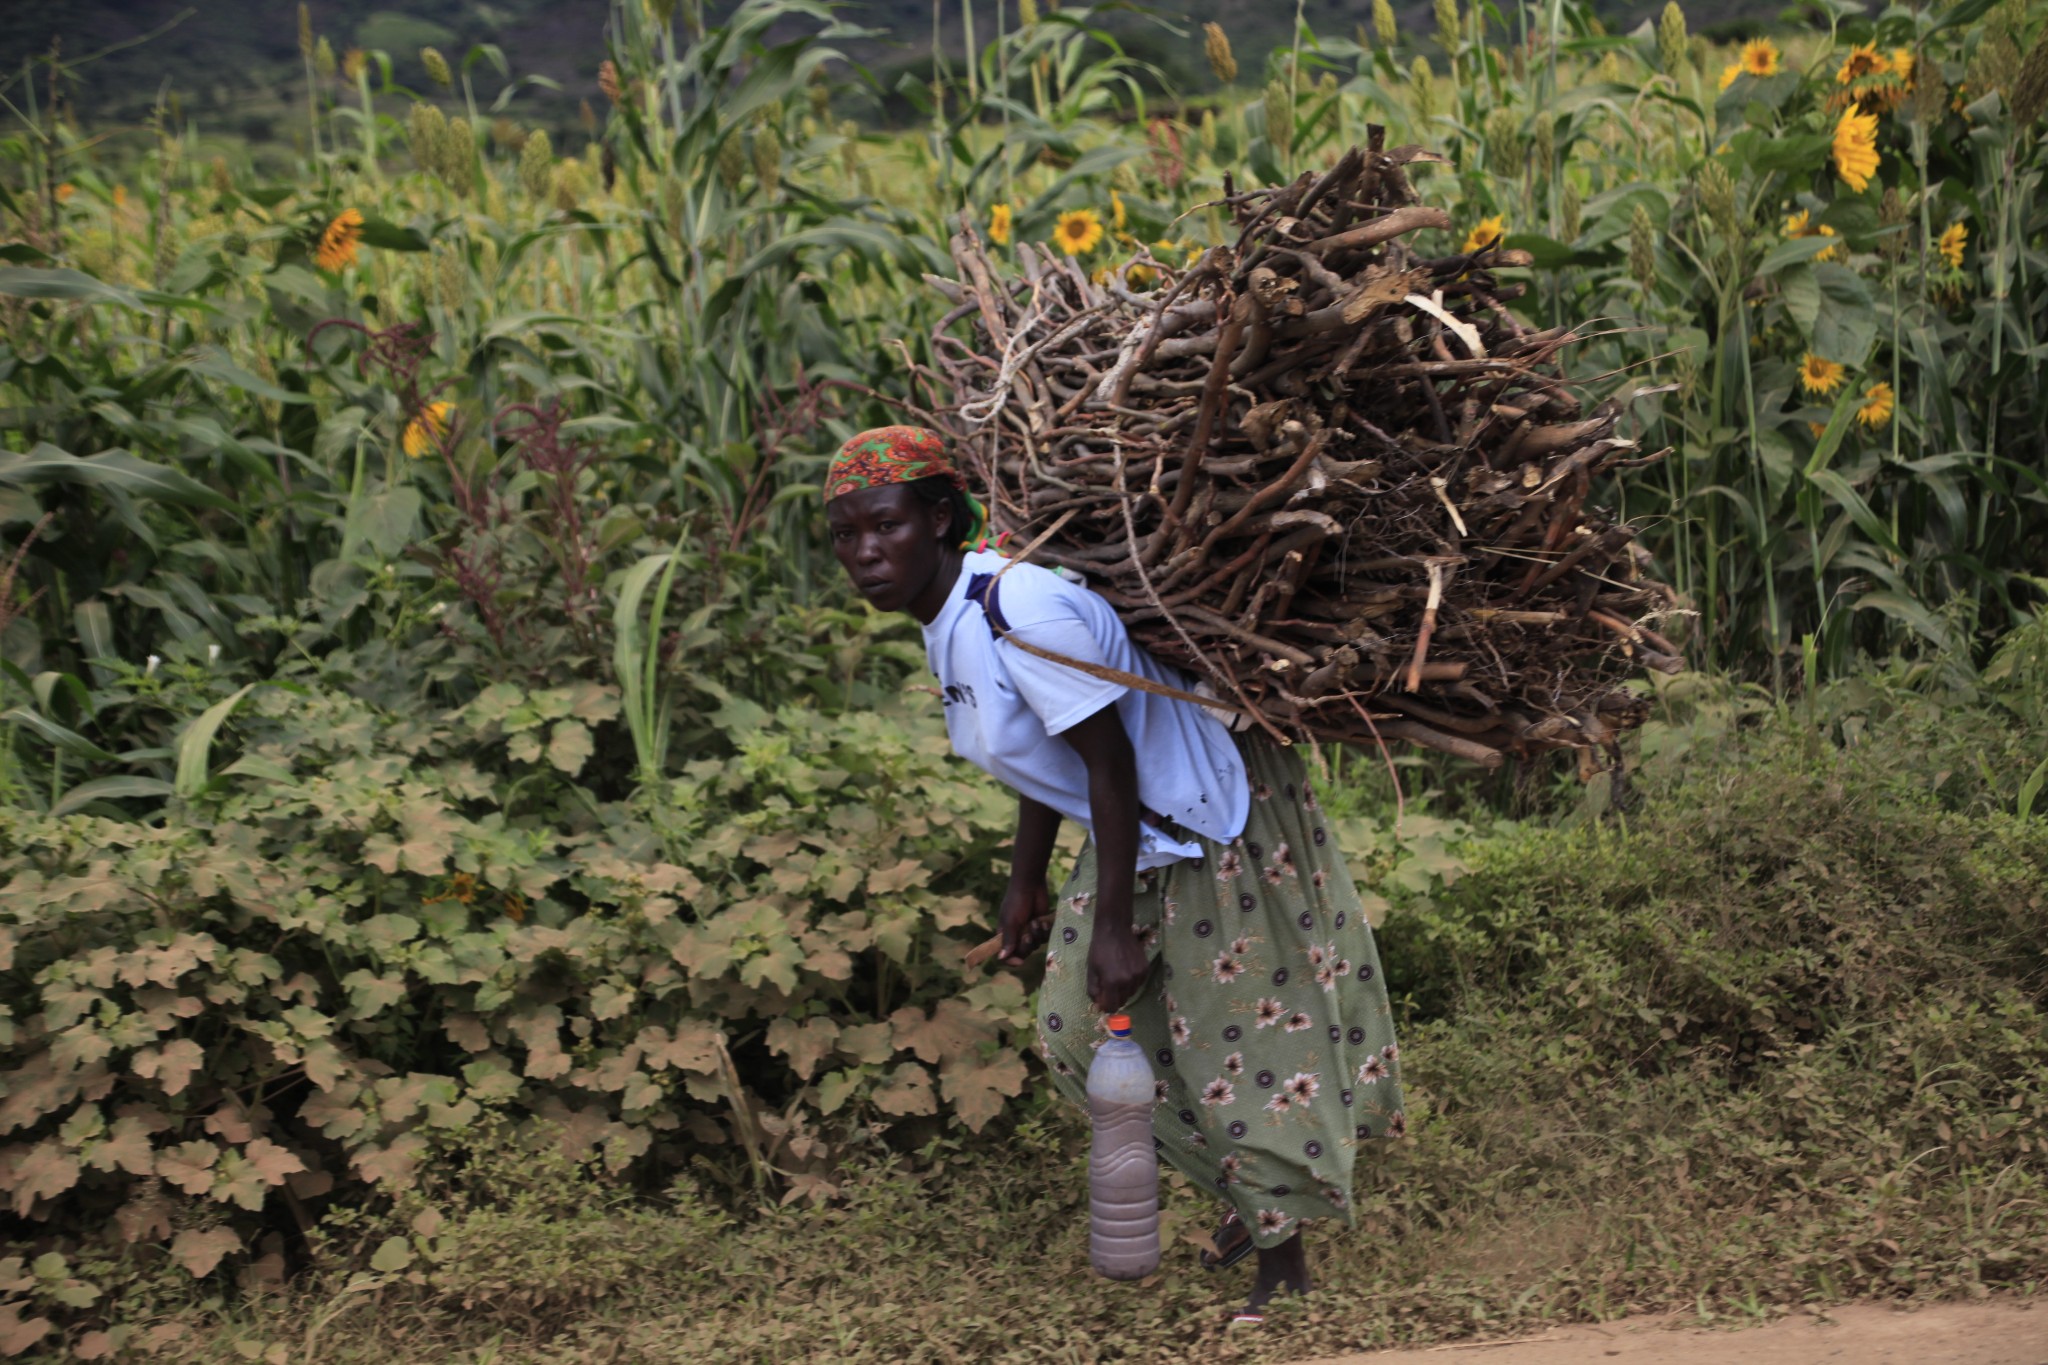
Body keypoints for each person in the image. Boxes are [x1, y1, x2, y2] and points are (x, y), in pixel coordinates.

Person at [823, 425, 1406, 1323]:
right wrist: (1026, 882)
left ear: (940, 519)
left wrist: (1112, 928)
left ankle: (1283, 1268)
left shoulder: (1015, 608)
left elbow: (1110, 760)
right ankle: (1254, 1203)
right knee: (1069, 1033)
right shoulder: (951, 620)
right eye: (847, 534)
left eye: (886, 526)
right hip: (1134, 830)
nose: (865, 552)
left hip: (1208, 818)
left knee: (1234, 1049)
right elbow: (1045, 753)